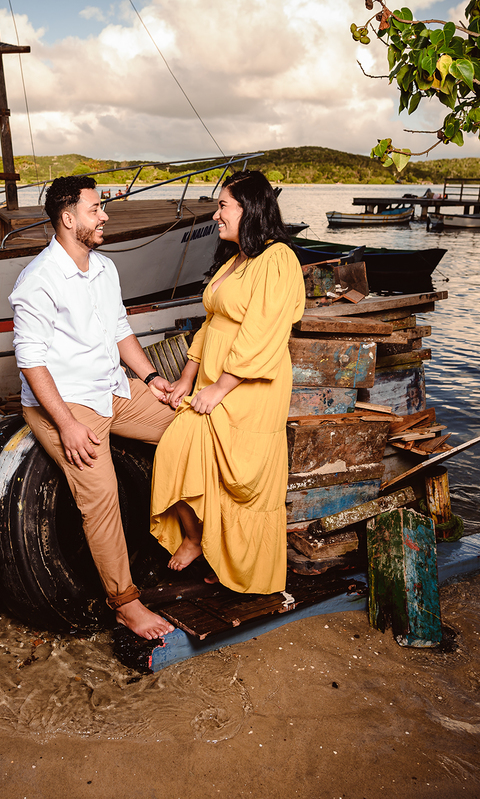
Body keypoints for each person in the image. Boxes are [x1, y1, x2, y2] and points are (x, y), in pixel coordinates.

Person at [9, 174, 178, 640]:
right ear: (68, 219)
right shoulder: (38, 281)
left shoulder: (104, 268)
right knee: (101, 497)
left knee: (187, 429)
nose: (104, 215)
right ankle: (125, 603)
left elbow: (120, 328)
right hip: (65, 403)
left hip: (112, 389)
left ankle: (189, 530)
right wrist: (65, 424)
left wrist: (152, 379)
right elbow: (30, 360)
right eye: (95, 208)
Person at [149, 171, 306, 595]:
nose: (216, 214)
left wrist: (220, 387)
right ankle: (200, 539)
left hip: (249, 389)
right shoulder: (236, 259)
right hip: (213, 381)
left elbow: (264, 332)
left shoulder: (278, 259)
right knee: (176, 453)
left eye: (223, 206)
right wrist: (188, 376)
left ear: (249, 209)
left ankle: (226, 555)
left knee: (238, 480)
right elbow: (212, 322)